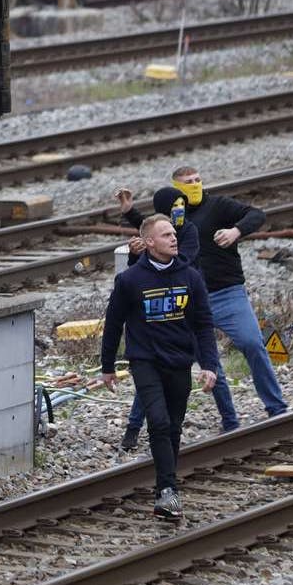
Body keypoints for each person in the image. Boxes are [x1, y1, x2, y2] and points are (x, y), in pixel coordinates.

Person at [117, 165, 286, 431]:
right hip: (190, 302)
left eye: (198, 180)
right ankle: (230, 421)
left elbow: (257, 214)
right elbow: (151, 229)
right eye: (188, 182)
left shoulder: (218, 206)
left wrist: (236, 231)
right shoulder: (173, 215)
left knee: (253, 344)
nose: (195, 185)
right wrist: (129, 213)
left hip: (227, 293)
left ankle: (277, 408)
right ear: (176, 187)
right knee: (210, 363)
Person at [96, 214, 221, 520]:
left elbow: (204, 325)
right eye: (166, 235)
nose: (173, 238)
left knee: (174, 427)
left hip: (179, 360)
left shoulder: (190, 277)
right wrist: (107, 366)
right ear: (149, 242)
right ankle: (168, 491)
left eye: (173, 234)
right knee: (158, 421)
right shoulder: (129, 280)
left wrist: (209, 365)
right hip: (145, 360)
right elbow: (113, 324)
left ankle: (166, 489)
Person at [114, 186, 198, 451]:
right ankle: (135, 429)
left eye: (181, 204)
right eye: (174, 206)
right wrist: (136, 254)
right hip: (152, 330)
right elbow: (147, 235)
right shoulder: (157, 237)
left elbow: (180, 259)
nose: (179, 210)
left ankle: (229, 418)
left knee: (197, 373)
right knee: (149, 381)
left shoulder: (188, 234)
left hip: (180, 317)